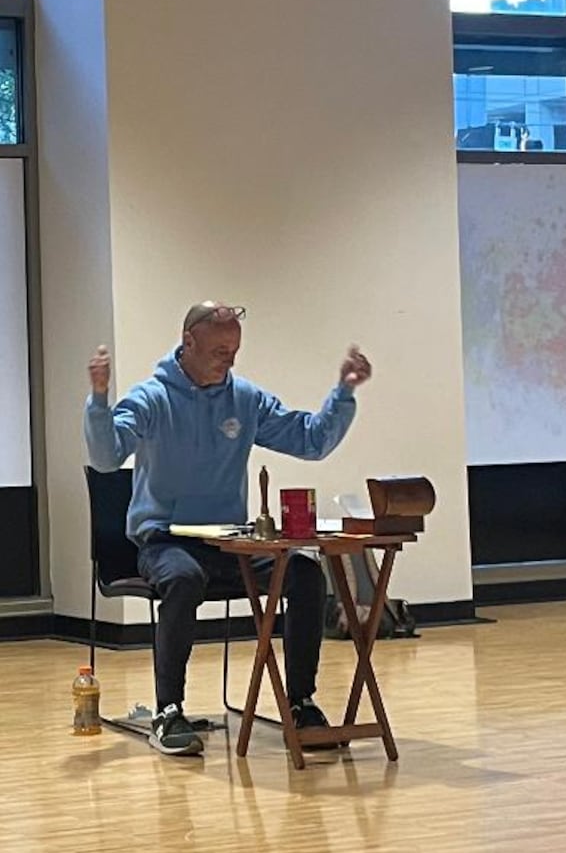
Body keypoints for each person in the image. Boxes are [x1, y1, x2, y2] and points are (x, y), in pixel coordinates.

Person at [84, 301, 372, 757]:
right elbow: (105, 457)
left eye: (235, 350)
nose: (229, 359)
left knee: (305, 574)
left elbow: (311, 441)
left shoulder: (245, 399)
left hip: (229, 541)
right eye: (220, 349)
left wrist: (344, 393)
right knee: (183, 577)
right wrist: (99, 401)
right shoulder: (152, 398)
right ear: (189, 343)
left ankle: (300, 702)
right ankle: (168, 710)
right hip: (165, 540)